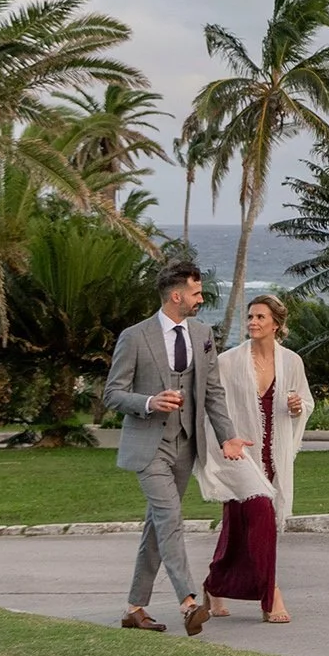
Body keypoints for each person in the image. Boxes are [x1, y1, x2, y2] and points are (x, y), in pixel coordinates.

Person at [103, 260, 252, 634]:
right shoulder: (135, 337)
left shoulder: (202, 333)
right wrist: (150, 402)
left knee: (157, 526)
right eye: (196, 293)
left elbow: (213, 392)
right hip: (148, 444)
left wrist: (227, 435)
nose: (201, 299)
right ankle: (188, 602)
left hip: (186, 444)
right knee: (170, 518)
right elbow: (113, 394)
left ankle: (134, 608)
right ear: (176, 295)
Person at [197, 295, 311, 623]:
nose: (253, 322)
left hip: (273, 454)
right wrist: (222, 444)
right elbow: (212, 404)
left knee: (236, 522)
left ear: (276, 324)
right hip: (237, 453)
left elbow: (306, 401)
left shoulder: (292, 362)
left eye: (261, 317)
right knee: (261, 510)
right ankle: (271, 591)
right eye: (250, 316)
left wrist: (296, 407)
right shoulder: (229, 361)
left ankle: (214, 586)